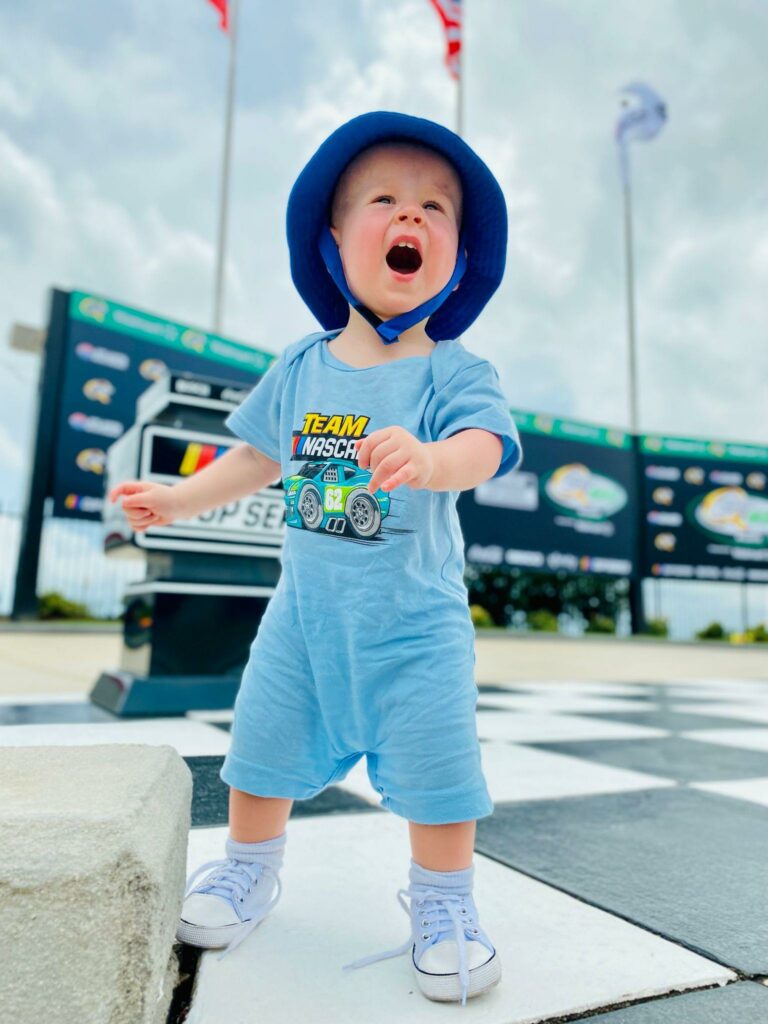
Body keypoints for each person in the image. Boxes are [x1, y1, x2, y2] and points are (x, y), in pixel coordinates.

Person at [109, 110, 523, 1007]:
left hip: (416, 629)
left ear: (459, 252)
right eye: (384, 199)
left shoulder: (453, 372)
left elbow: (488, 446)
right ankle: (248, 869)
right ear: (334, 238)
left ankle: (445, 904)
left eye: (436, 208)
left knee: (442, 778)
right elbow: (259, 456)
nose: (411, 218)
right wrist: (177, 499)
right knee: (258, 754)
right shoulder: (300, 366)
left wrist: (431, 459)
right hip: (303, 623)